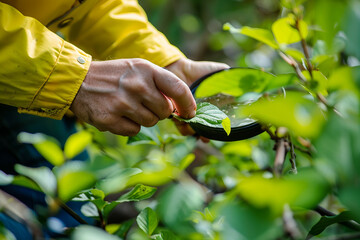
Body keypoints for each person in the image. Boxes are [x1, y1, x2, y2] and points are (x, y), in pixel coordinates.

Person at [0, 0, 228, 238]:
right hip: (28, 68)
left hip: (26, 73)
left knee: (75, 216)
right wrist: (75, 77)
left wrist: (164, 63)